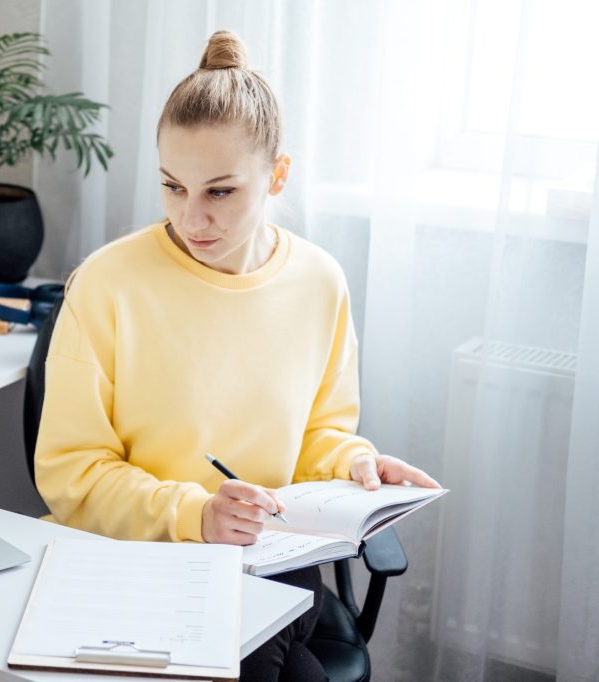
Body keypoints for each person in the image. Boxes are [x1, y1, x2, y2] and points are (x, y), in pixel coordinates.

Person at [33, 29, 440, 681]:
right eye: (172, 187)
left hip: (266, 564)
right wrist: (196, 514)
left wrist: (356, 463)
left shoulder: (318, 281)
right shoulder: (108, 283)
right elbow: (70, 473)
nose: (192, 219)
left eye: (220, 192)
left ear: (278, 173)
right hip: (144, 560)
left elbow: (318, 435)